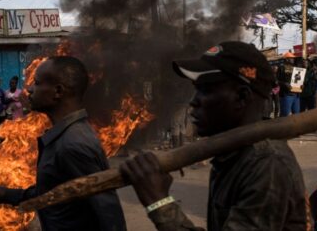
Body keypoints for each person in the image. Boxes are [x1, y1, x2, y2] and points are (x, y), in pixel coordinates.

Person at [120, 42, 307, 230]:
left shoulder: (267, 164)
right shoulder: (232, 154)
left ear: (241, 97)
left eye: (206, 90)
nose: (194, 101)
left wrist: (159, 203)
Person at [0, 56, 126, 231]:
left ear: (58, 91)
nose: (29, 89)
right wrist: (11, 194)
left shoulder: (73, 144)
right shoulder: (65, 136)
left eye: (36, 83)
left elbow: (109, 215)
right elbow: (54, 189)